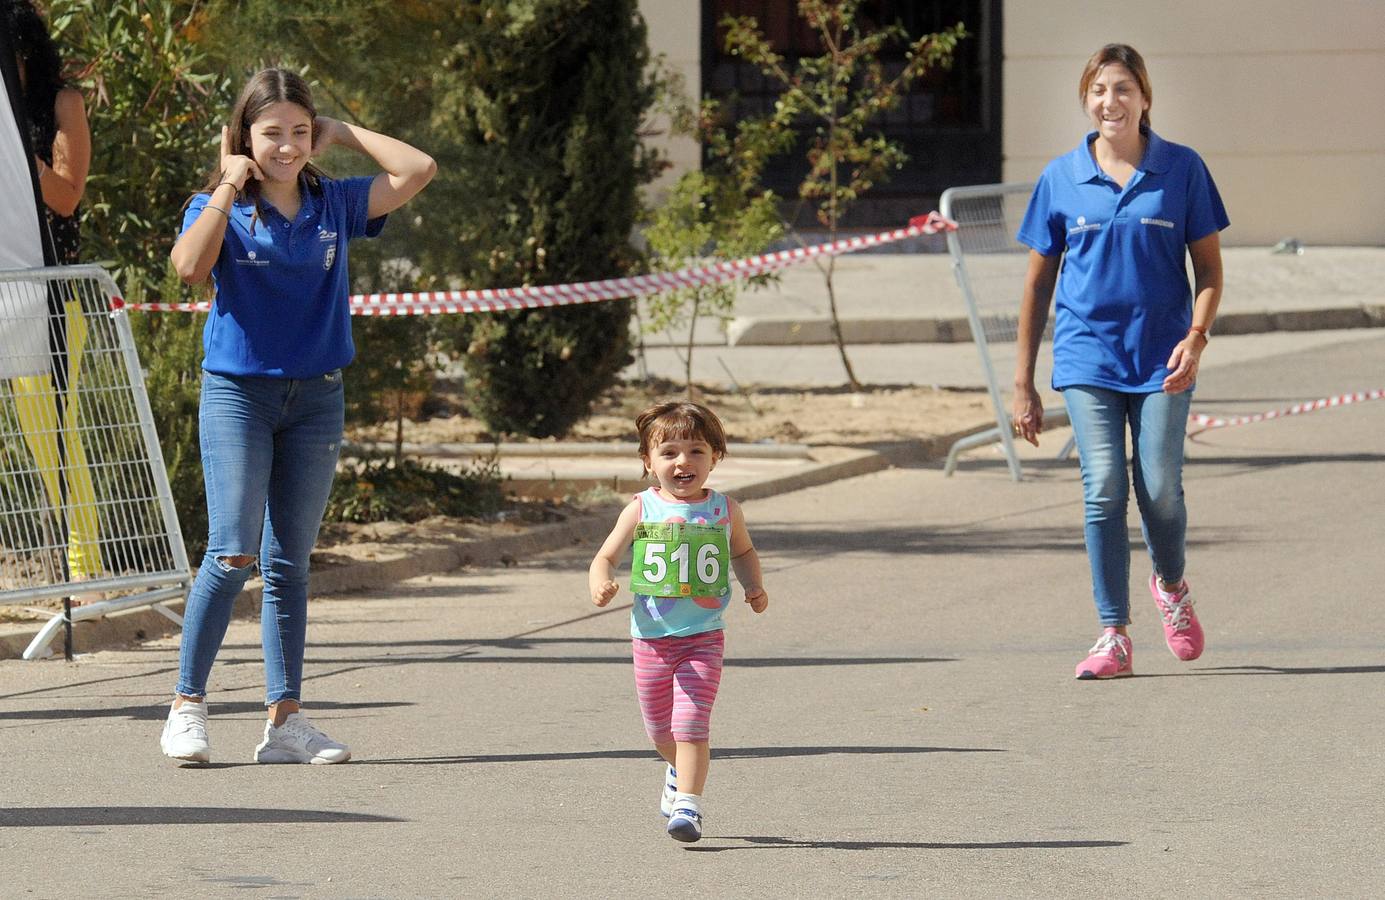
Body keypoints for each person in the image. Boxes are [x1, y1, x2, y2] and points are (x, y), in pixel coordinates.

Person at [161, 68, 435, 765]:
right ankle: (186, 707)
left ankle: (285, 722)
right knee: (231, 551)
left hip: (315, 398)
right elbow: (187, 267)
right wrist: (228, 181)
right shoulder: (216, 204)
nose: (286, 147)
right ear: (243, 135)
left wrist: (340, 131)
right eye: (271, 132)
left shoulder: (334, 202)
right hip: (239, 396)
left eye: (299, 132)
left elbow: (418, 168)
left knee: (289, 566)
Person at [1012, 43, 1228, 680]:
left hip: (1165, 358)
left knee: (1159, 488)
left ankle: (1172, 584)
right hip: (1087, 356)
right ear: (1087, 98)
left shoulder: (1182, 169)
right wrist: (1023, 381)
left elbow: (1210, 269)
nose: (1112, 101)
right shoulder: (1060, 177)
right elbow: (1035, 287)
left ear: (1145, 98)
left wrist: (1197, 335)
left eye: (1124, 89)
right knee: (1103, 487)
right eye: (1101, 89)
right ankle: (1114, 633)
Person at [589, 400, 769, 843]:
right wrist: (601, 581)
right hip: (650, 640)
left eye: (695, 451)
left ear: (715, 458)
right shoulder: (640, 509)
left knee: (691, 725)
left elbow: (742, 552)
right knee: (659, 731)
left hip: (703, 637)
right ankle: (674, 770)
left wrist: (753, 585)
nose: (682, 461)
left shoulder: (725, 509)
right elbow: (606, 555)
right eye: (668, 452)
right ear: (648, 463)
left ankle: (689, 804)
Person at [3, 0, 102, 597]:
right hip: (6, 287)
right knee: (34, 435)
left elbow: (66, 196)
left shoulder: (60, 104)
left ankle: (86, 567)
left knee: (53, 434)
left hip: (51, 291)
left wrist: (17, 150)